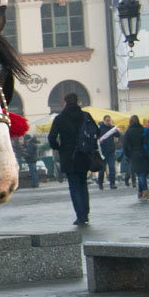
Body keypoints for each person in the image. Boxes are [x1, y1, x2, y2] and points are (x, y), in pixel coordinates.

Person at [46, 92, 97, 225]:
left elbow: (51, 137)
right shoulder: (85, 115)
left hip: (68, 156)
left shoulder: (60, 118)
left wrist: (59, 147)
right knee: (83, 183)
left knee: (74, 186)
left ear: (65, 102)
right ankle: (85, 213)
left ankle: (80, 215)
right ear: (78, 101)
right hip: (84, 154)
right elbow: (96, 132)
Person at [123, 116, 149, 200]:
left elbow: (125, 145)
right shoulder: (143, 130)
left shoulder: (128, 132)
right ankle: (140, 192)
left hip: (133, 155)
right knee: (142, 173)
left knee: (140, 174)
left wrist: (128, 155)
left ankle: (145, 191)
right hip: (143, 153)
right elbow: (147, 141)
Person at [97, 114, 119, 190]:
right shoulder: (100, 128)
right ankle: (100, 183)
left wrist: (113, 126)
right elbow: (97, 137)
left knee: (112, 168)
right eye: (107, 120)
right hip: (102, 152)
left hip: (111, 151)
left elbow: (117, 135)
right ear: (104, 120)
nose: (108, 122)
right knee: (102, 169)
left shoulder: (111, 128)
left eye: (109, 120)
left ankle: (112, 183)